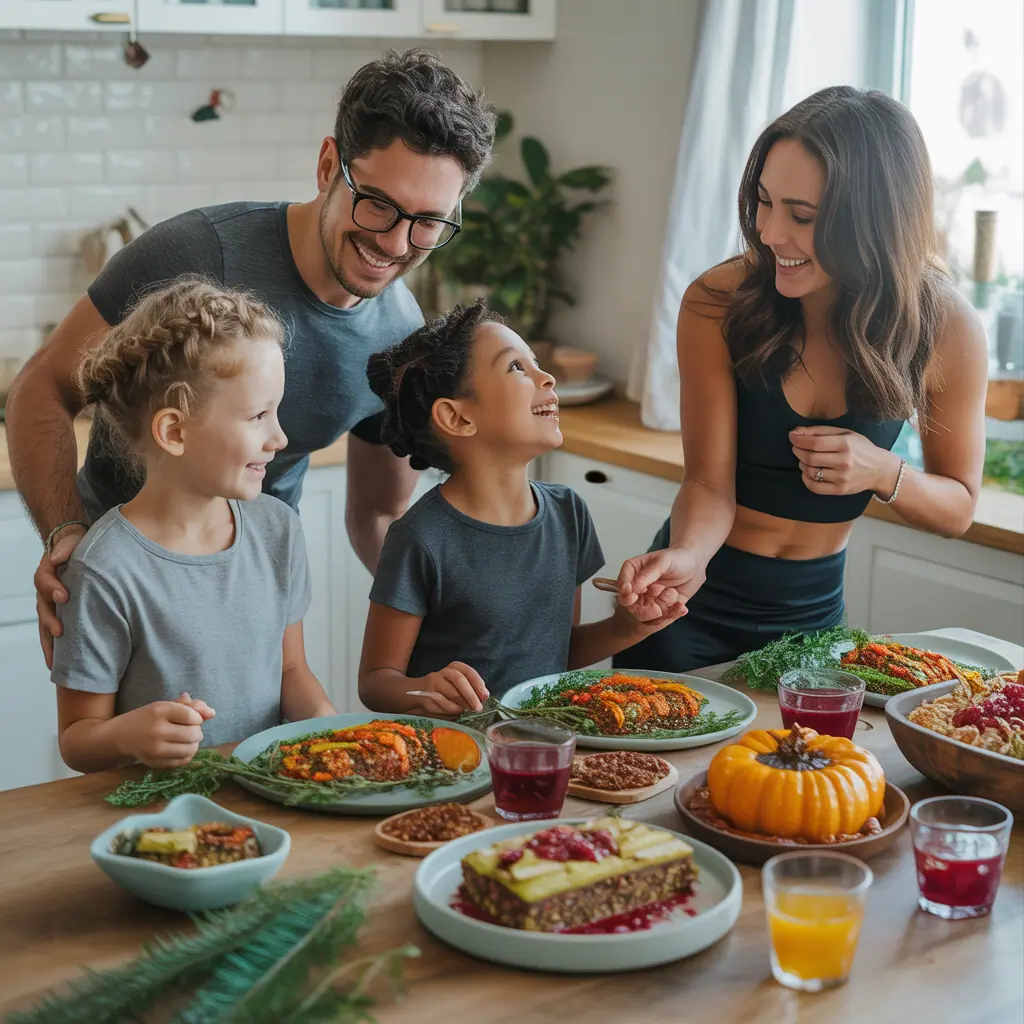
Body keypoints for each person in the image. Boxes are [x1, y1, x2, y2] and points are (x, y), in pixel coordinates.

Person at [4, 47, 496, 670]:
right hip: (118, 588)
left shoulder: (400, 335)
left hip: (255, 596)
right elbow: (42, 390)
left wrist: (446, 620)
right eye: (378, 203)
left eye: (428, 222)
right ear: (327, 166)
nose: (396, 242)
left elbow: (377, 512)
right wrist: (64, 536)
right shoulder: (196, 254)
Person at [612, 86, 988, 673]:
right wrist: (685, 557)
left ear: (874, 222)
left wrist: (882, 471)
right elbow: (708, 485)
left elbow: (958, 508)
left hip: (812, 624)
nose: (769, 233)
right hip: (688, 608)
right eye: (764, 202)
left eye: (802, 216)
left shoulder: (944, 325)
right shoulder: (717, 300)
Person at [52, 279, 337, 774]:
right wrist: (129, 734)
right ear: (175, 431)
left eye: (278, 411)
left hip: (271, 795)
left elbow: (291, 669)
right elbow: (77, 740)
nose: (279, 436)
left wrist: (327, 724)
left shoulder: (277, 530)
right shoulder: (104, 569)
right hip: (162, 819)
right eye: (257, 416)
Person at [356, 299, 686, 717]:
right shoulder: (420, 537)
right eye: (517, 368)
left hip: (545, 745)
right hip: (459, 756)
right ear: (457, 418)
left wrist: (627, 626)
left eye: (536, 364)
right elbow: (375, 681)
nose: (546, 377)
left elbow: (558, 654)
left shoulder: (569, 513)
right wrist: (424, 689)